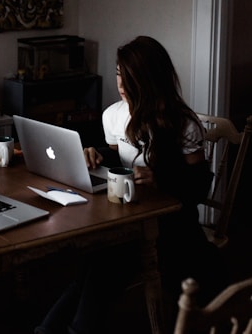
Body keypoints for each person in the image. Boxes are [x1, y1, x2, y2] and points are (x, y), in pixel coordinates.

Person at [34, 35, 229, 334]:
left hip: (170, 225)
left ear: (150, 80)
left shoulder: (182, 124)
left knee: (102, 264)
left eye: (130, 78)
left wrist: (161, 178)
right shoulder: (112, 116)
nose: (121, 85)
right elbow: (118, 155)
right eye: (118, 74)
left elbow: (199, 186)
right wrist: (96, 152)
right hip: (127, 217)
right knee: (91, 265)